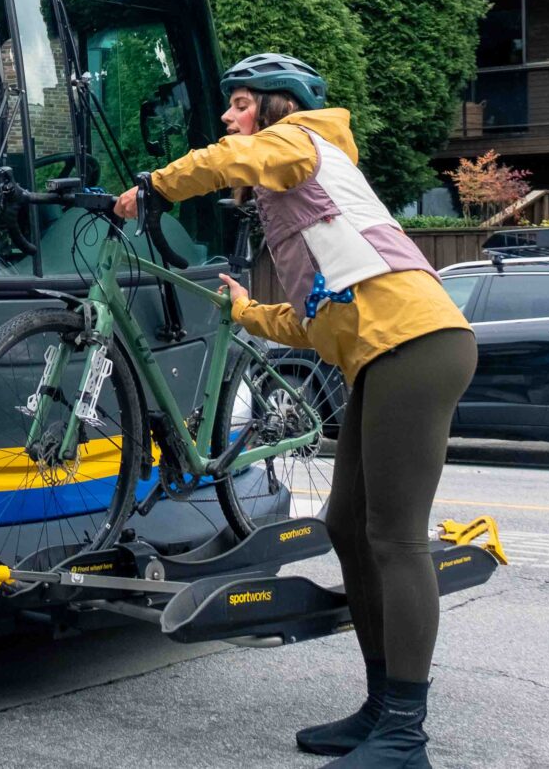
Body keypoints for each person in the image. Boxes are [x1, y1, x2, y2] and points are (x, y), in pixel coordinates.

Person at [116, 53, 473, 769]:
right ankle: (380, 709)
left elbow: (231, 155)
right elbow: (319, 320)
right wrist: (247, 311)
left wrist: (150, 187)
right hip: (384, 347)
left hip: (417, 343)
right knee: (345, 523)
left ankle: (405, 736)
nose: (229, 114)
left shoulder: (301, 140)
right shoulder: (306, 198)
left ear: (277, 106)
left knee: (396, 538)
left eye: (241, 101)